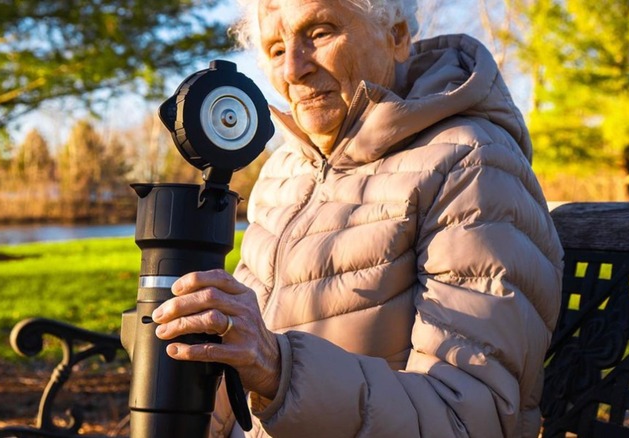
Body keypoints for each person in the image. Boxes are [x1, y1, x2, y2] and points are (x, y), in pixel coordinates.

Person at [149, 0, 564, 436]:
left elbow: (470, 417)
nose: (292, 69)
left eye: (321, 32)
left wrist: (278, 369)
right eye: (274, 49)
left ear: (398, 36)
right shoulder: (286, 169)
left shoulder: (472, 164)